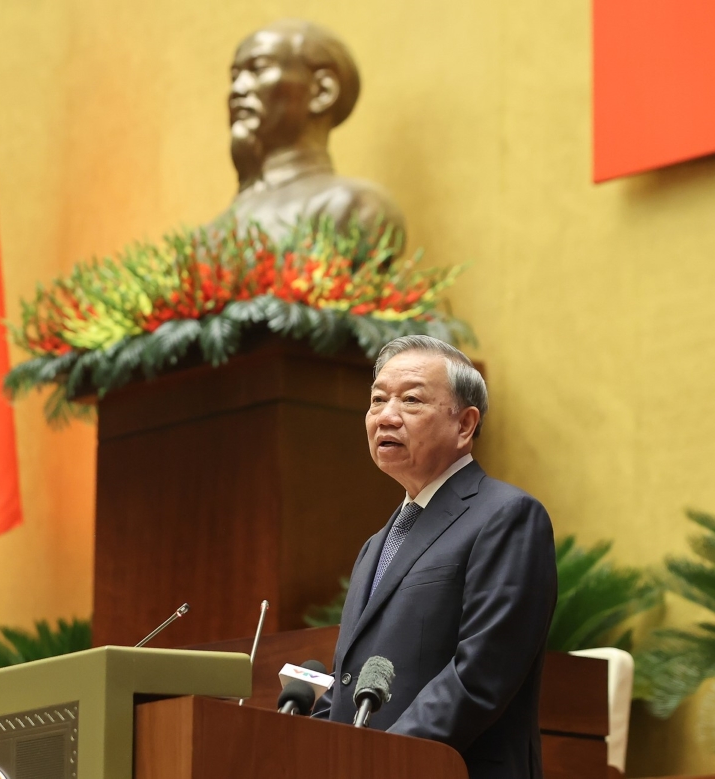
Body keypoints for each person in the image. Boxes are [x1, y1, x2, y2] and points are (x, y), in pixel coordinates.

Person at [311, 335, 557, 779]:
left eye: (410, 400)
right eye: (377, 400)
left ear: (465, 425)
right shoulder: (376, 545)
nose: (386, 416)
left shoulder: (507, 516)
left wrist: (384, 762)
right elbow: (346, 685)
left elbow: (479, 675)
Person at [220, 19, 406, 245]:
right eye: (234, 76)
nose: (236, 89)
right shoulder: (208, 234)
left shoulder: (350, 207)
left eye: (258, 68)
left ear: (322, 92)